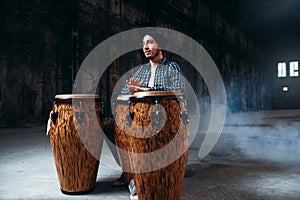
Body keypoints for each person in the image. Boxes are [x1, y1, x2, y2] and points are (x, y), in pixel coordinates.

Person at [112, 32, 185, 200]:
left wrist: (146, 90)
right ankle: (133, 179)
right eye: (144, 43)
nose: (145, 47)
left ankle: (155, 185)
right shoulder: (141, 71)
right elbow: (125, 92)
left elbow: (178, 89)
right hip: (140, 115)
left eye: (150, 42)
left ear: (160, 46)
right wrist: (131, 89)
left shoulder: (172, 67)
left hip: (165, 115)